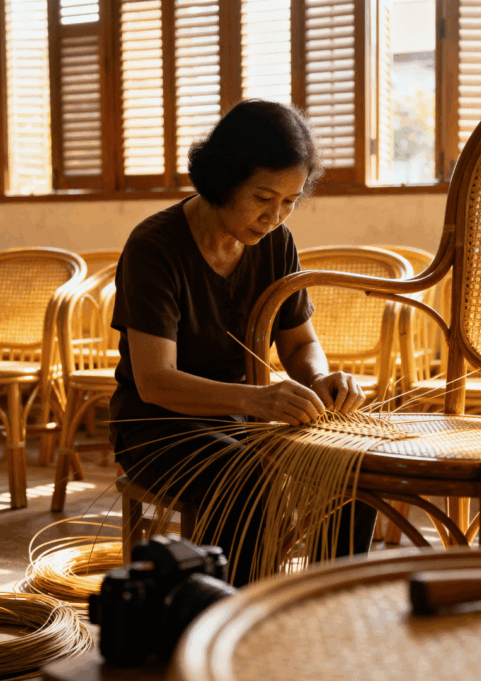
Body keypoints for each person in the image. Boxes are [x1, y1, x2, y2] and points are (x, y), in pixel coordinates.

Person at [109, 100, 376, 586]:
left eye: (290, 201)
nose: (275, 216)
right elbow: (154, 381)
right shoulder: (155, 246)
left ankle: (331, 605)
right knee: (250, 478)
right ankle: (233, 627)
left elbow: (299, 346)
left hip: (239, 422)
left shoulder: (277, 243)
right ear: (223, 179)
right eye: (262, 197)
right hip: (156, 428)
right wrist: (257, 399)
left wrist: (322, 379)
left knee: (348, 464)